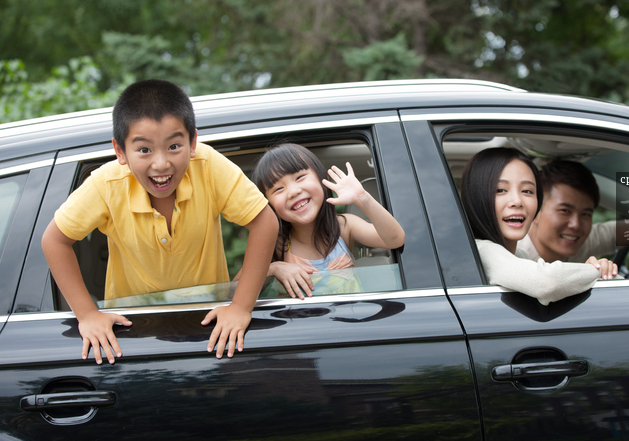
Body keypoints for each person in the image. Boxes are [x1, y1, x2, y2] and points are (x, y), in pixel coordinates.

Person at [41, 79, 279, 364]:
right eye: (144, 150)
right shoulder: (107, 184)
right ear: (120, 151)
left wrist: (240, 307)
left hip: (208, 329)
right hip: (134, 335)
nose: (161, 163)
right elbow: (54, 240)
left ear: (193, 143)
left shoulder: (207, 166)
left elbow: (265, 222)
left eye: (174, 146)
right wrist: (87, 314)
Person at [460, 147, 617, 306]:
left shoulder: (519, 254)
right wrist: (594, 271)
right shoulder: (482, 250)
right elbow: (546, 282)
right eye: (500, 190)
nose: (517, 201)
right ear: (477, 198)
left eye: (527, 191)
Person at [252, 143, 405, 299]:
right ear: (268, 203)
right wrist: (273, 268)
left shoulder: (344, 226)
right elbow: (239, 285)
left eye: (299, 177)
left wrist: (362, 198)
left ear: (322, 178)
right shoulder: (277, 242)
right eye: (278, 189)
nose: (293, 192)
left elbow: (395, 239)